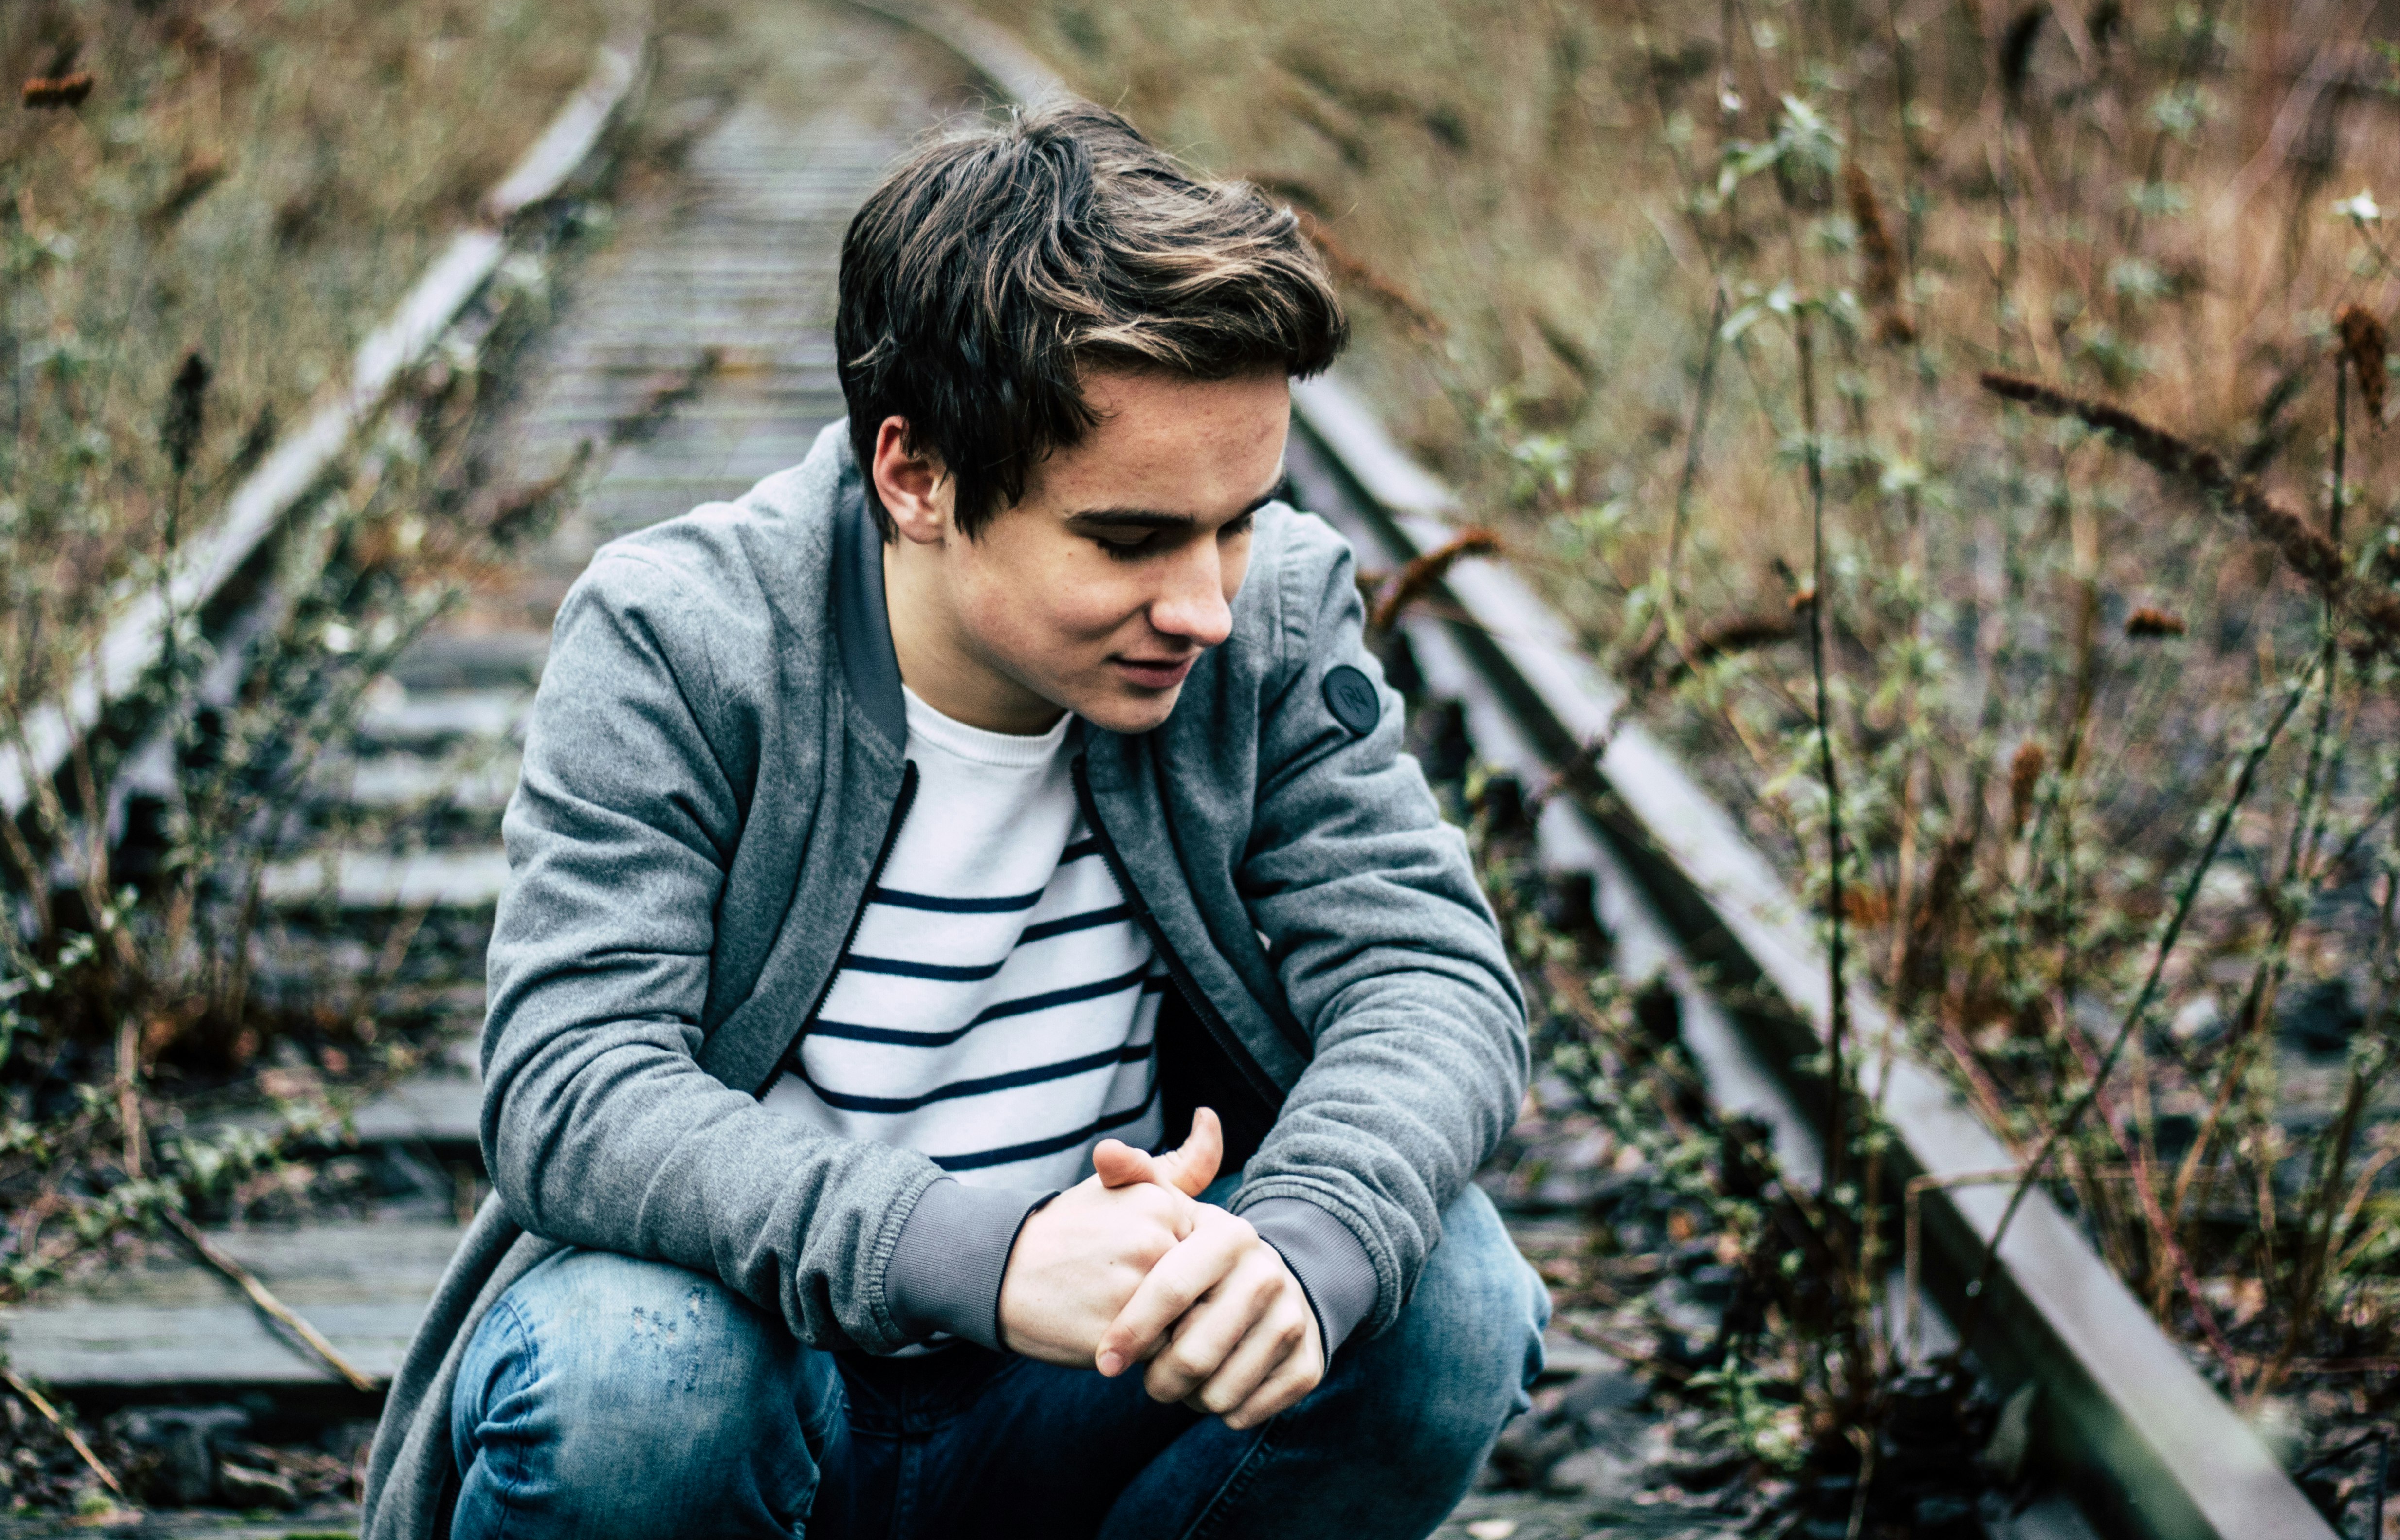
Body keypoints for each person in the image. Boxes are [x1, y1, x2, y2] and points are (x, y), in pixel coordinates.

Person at [360, 101, 1544, 1540]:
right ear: (915, 475)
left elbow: (1429, 978)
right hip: (762, 1372)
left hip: (1090, 1385)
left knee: (1447, 1294)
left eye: (1239, 516)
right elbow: (570, 1088)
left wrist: (1300, 1244)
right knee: (638, 1376)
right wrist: (988, 1254)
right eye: (1128, 538)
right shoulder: (684, 637)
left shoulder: (1272, 617)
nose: (1207, 605)